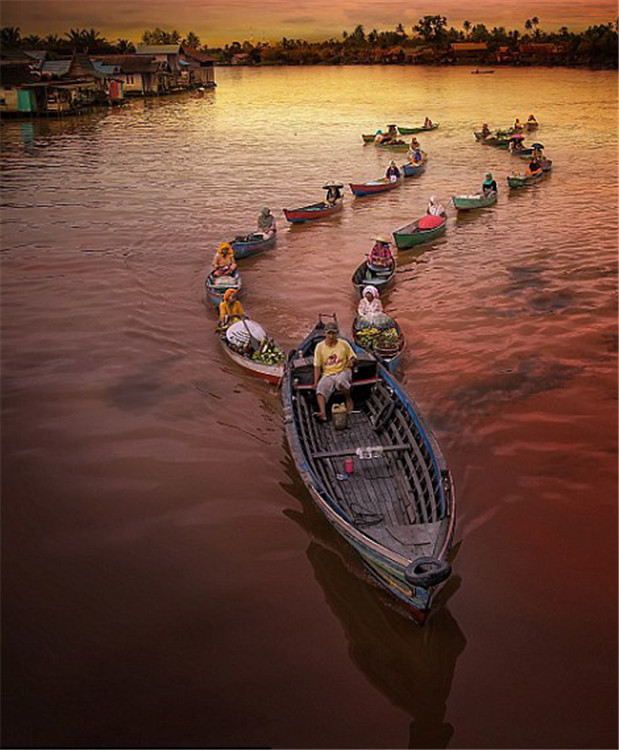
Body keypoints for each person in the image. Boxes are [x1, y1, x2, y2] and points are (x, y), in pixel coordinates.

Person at [313, 322, 357, 422]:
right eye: (329, 333)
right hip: (328, 374)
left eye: (333, 333)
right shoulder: (319, 347)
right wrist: (315, 382)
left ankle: (348, 399)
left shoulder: (343, 344)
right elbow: (317, 366)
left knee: (341, 381)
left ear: (337, 334)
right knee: (320, 389)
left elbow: (353, 357)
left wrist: (351, 361)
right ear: (325, 334)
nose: (331, 336)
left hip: (343, 371)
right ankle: (323, 414)